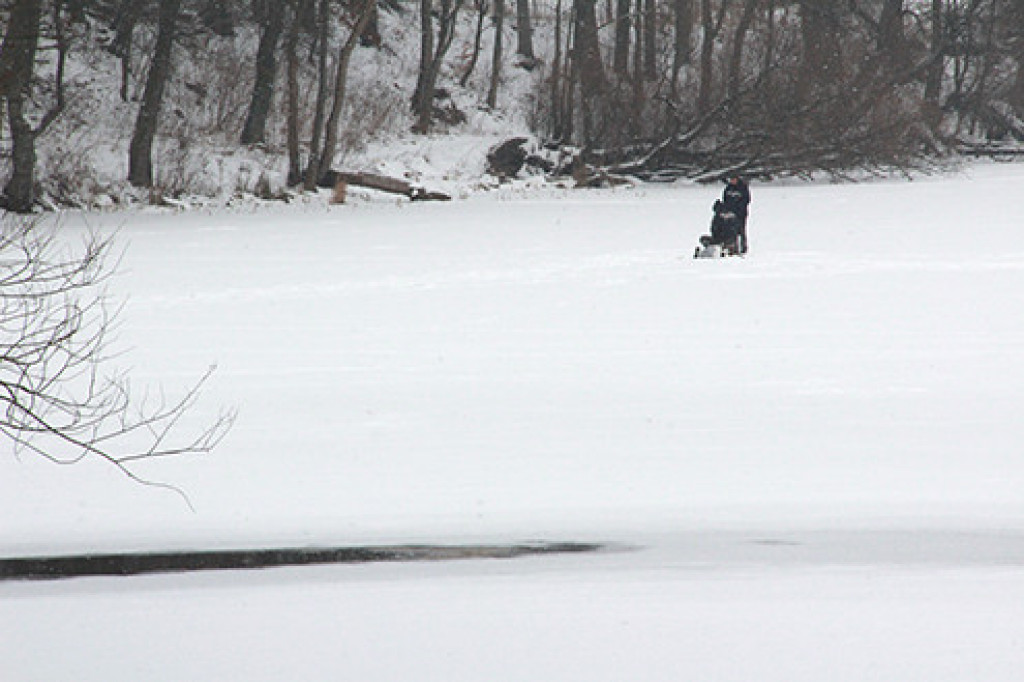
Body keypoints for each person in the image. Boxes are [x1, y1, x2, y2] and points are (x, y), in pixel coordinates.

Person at [721, 175, 751, 253]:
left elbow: (746, 200)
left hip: (741, 213)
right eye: (731, 180)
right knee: (731, 230)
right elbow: (725, 199)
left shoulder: (743, 188)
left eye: (733, 179)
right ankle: (733, 247)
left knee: (741, 230)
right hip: (731, 213)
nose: (732, 181)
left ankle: (743, 247)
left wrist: (739, 209)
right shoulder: (728, 188)